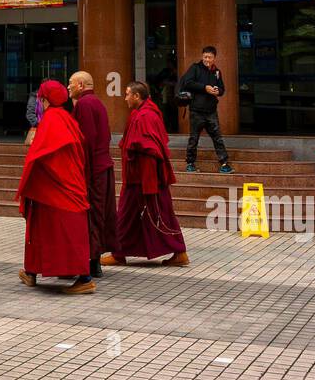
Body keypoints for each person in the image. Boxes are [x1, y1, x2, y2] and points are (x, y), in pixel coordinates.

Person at [16, 80, 93, 295]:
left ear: (45, 100)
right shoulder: (66, 118)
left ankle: (85, 277)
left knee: (62, 233)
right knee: (42, 230)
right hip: (63, 187)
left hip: (55, 190)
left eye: (40, 98)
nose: (38, 102)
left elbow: (39, 156)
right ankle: (31, 271)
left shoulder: (50, 121)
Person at [103, 81, 188, 268]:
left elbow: (151, 151)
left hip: (144, 179)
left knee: (148, 214)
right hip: (139, 178)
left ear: (136, 96)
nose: (124, 98)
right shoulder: (140, 114)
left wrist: (148, 184)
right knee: (138, 216)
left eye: (127, 94)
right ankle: (120, 253)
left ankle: (178, 251)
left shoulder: (145, 117)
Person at [69, 71, 116, 279]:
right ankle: (94, 261)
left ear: (80, 85)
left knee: (92, 214)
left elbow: (85, 140)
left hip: (93, 169)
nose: (68, 87)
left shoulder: (85, 105)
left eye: (70, 83)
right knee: (98, 212)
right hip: (101, 166)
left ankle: (92, 262)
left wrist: (81, 172)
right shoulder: (97, 102)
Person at [180, 45, 232, 173]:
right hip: (196, 110)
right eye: (205, 57)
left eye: (209, 57)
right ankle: (190, 163)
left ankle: (224, 163)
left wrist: (217, 91)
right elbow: (187, 82)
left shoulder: (217, 72)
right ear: (202, 56)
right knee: (194, 138)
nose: (207, 59)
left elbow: (222, 89)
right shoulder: (195, 68)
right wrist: (205, 88)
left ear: (214, 58)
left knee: (217, 137)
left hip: (211, 111)